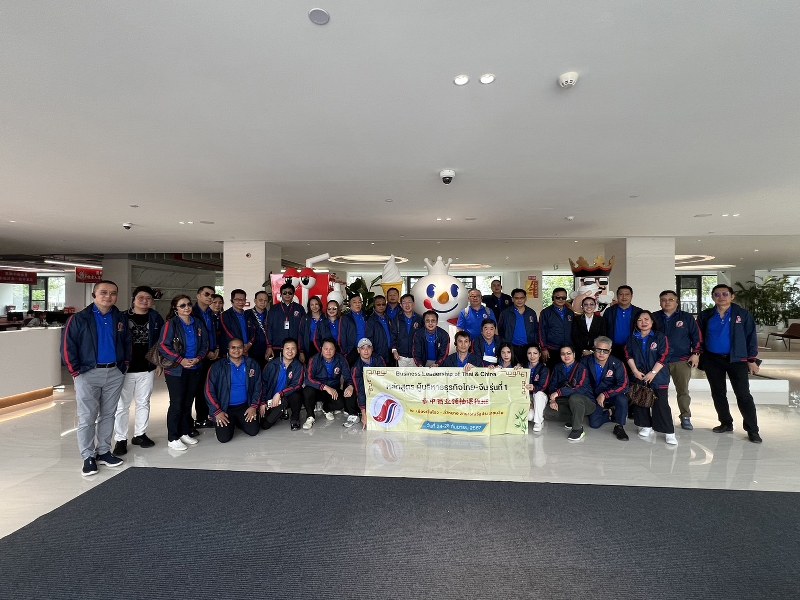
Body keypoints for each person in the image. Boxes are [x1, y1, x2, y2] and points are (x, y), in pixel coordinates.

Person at [61, 280, 128, 476]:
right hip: (87, 373)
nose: (108, 296)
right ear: (94, 295)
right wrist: (75, 371)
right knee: (87, 417)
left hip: (114, 372)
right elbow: (67, 346)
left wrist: (124, 365)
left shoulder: (120, 317)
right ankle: (88, 456)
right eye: (104, 292)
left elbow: (127, 342)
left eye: (113, 293)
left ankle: (104, 451)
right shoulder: (79, 318)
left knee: (108, 414)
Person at [697, 284, 762, 443]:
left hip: (737, 360)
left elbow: (751, 337)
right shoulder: (706, 315)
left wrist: (751, 360)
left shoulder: (743, 314)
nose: (721, 297)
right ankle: (726, 422)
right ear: (712, 297)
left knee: (743, 395)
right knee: (718, 393)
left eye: (725, 294)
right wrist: (698, 354)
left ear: (732, 296)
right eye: (717, 294)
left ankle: (752, 430)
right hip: (713, 360)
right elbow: (698, 337)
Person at [113, 285, 164, 455]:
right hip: (125, 369)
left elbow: (161, 342)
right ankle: (120, 439)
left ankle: (140, 434)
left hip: (147, 367)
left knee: (144, 402)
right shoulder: (121, 317)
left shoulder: (155, 317)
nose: (145, 301)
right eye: (141, 298)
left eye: (148, 298)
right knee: (122, 405)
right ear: (133, 299)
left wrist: (159, 363)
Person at [159, 294, 209, 451]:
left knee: (188, 402)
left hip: (194, 368)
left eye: (188, 304)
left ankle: (184, 431)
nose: (187, 307)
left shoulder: (197, 323)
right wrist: (180, 360)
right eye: (182, 305)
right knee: (177, 403)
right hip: (176, 370)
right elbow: (163, 346)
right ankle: (173, 437)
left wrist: (198, 358)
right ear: (175, 309)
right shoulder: (171, 324)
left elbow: (205, 344)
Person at [653, 290, 701, 430]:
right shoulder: (654, 317)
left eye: (671, 299)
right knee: (659, 391)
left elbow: (696, 336)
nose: (667, 302)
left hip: (681, 359)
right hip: (660, 360)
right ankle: (659, 416)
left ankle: (685, 416)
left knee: (683, 390)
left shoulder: (686, 317)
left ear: (677, 302)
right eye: (663, 300)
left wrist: (696, 353)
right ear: (660, 302)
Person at [625, 310, 676, 445]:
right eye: (640, 320)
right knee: (641, 400)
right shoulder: (632, 338)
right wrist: (635, 371)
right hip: (640, 375)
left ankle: (669, 432)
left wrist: (653, 373)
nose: (643, 322)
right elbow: (628, 355)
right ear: (636, 323)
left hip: (658, 375)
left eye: (646, 319)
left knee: (661, 404)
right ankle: (646, 426)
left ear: (652, 322)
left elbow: (664, 355)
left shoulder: (660, 337)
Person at [204, 338, 261, 443]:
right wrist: (217, 412)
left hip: (244, 406)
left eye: (239, 347)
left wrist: (253, 406)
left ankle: (238, 421)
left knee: (253, 431)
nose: (236, 350)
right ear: (228, 349)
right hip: (225, 408)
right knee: (224, 439)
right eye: (233, 347)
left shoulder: (252, 364)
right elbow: (208, 390)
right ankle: (226, 421)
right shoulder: (217, 366)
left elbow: (258, 387)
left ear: (244, 349)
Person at [580, 335, 629, 441]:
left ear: (610, 351)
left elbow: (623, 385)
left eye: (605, 351)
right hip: (593, 395)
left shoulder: (617, 363)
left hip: (610, 394)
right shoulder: (585, 361)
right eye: (598, 350)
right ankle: (610, 413)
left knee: (622, 399)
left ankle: (619, 426)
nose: (601, 353)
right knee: (594, 424)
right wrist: (591, 397)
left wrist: (605, 394)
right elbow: (582, 382)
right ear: (594, 349)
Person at [543, 345, 596, 442]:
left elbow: (581, 388)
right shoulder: (558, 367)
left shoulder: (582, 368)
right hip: (567, 400)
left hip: (586, 402)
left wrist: (559, 392)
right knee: (547, 412)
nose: (566, 356)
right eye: (563, 354)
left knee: (575, 398)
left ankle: (578, 429)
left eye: (569, 353)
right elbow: (552, 386)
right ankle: (573, 418)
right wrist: (552, 400)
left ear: (574, 355)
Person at [302, 338, 354, 429]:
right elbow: (308, 379)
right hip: (317, 389)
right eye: (326, 349)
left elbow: (348, 376)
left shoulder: (341, 359)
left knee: (341, 403)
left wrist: (350, 385)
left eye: (331, 349)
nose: (328, 351)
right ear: (321, 349)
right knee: (307, 391)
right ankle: (310, 416)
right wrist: (325, 387)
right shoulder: (314, 359)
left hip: (333, 389)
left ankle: (326, 408)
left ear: (335, 349)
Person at [192, 285, 220, 429]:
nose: (210, 297)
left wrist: (216, 349)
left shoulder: (211, 313)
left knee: (210, 386)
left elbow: (215, 333)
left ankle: (208, 414)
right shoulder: (192, 313)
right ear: (198, 296)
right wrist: (206, 352)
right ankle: (200, 418)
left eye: (212, 295)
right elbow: (193, 339)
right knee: (199, 388)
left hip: (213, 355)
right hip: (199, 357)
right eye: (207, 294)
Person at [260, 338, 304, 431]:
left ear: (296, 351)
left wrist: (280, 393)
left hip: (285, 397)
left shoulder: (298, 366)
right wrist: (262, 402)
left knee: (296, 395)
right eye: (287, 348)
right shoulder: (272, 364)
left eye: (293, 348)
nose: (290, 351)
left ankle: (295, 419)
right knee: (265, 425)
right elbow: (263, 384)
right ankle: (282, 412)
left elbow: (297, 385)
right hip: (271, 400)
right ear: (282, 349)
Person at [349, 338, 386, 429]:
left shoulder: (379, 359)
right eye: (362, 348)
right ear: (358, 350)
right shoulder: (356, 368)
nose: (366, 351)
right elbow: (360, 391)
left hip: (378, 389)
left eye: (368, 347)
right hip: (364, 392)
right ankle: (358, 413)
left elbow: (385, 379)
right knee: (351, 395)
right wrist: (364, 414)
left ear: (372, 349)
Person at [497, 288, 539, 366]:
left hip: (528, 347)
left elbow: (536, 330)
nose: (519, 300)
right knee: (513, 369)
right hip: (511, 348)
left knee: (526, 369)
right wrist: (504, 343)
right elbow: (499, 329)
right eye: (516, 298)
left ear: (525, 299)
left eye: (522, 298)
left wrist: (536, 345)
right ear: (512, 299)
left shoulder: (531, 312)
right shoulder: (505, 313)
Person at [604, 285, 643, 362]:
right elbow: (604, 329)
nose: (624, 297)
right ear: (617, 296)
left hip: (632, 348)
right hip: (613, 349)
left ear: (631, 296)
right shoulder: (609, 311)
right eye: (621, 294)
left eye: (627, 294)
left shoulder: (638, 311)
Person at [267, 282, 306, 359]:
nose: (287, 295)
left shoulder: (299, 308)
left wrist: (301, 350)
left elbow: (303, 330)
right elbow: (269, 328)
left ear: (293, 294)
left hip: (294, 348)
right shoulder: (273, 309)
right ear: (281, 294)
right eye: (284, 293)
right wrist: (269, 346)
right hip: (277, 347)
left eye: (290, 293)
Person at [539, 288, 573, 369]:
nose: (561, 300)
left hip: (567, 349)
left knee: (567, 371)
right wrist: (544, 348)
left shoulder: (570, 312)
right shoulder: (545, 312)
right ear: (553, 298)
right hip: (552, 349)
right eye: (558, 297)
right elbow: (541, 331)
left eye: (563, 298)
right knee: (552, 371)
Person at [220, 289, 256, 358]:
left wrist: (250, 343)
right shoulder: (225, 315)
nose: (241, 302)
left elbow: (253, 330)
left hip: (248, 349)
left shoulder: (248, 314)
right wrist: (240, 346)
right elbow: (228, 332)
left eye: (243, 299)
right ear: (232, 301)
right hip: (233, 350)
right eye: (237, 299)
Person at [391, 293, 423, 367]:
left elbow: (423, 337)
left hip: (416, 357)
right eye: (404, 303)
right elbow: (393, 336)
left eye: (409, 302)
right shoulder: (396, 319)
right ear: (401, 305)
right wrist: (394, 350)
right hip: (401, 356)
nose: (407, 305)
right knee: (401, 375)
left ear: (413, 304)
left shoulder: (420, 319)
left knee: (415, 375)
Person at [524, 345, 550, 432]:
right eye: (529, 353)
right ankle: (537, 414)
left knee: (538, 394)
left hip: (540, 397)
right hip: (527, 398)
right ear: (526, 355)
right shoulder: (523, 367)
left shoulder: (544, 369)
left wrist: (534, 387)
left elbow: (543, 386)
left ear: (539, 354)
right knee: (529, 416)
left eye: (535, 353)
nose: (532, 356)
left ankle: (539, 422)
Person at [365, 294, 393, 366]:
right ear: (374, 306)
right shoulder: (371, 320)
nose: (381, 306)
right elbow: (369, 338)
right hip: (378, 354)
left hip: (391, 353)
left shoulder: (388, 318)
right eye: (378, 304)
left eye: (383, 304)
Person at [247, 290, 271, 369]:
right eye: (260, 300)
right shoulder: (246, 314)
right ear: (255, 301)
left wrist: (270, 347)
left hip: (266, 349)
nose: (263, 302)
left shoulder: (270, 314)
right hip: (251, 349)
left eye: (265, 300)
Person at [298, 296, 324, 363]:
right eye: (312, 305)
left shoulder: (325, 317)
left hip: (323, 348)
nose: (314, 306)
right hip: (309, 348)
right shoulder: (305, 318)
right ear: (309, 306)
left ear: (320, 305)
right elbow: (301, 335)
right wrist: (301, 352)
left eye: (316, 304)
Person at [341, 294, 366, 364]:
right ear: (350, 304)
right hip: (352, 349)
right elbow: (343, 335)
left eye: (359, 302)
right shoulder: (346, 318)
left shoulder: (366, 316)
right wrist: (346, 351)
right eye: (354, 302)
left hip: (366, 348)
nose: (357, 304)